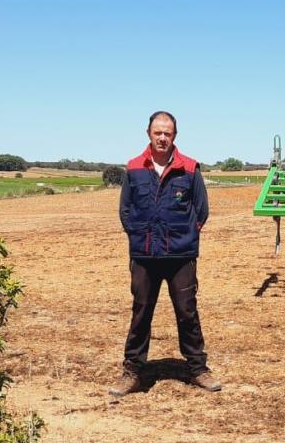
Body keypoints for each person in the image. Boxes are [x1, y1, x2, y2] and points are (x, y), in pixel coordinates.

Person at [110, 111, 221, 395]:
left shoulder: (190, 168)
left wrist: (185, 237)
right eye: (158, 132)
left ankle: (198, 369)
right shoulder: (134, 168)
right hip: (144, 256)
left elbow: (201, 210)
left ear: (174, 136)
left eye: (167, 133)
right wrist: (138, 236)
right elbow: (125, 210)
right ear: (148, 133)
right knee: (141, 312)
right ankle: (132, 371)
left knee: (187, 313)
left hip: (180, 257)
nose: (162, 137)